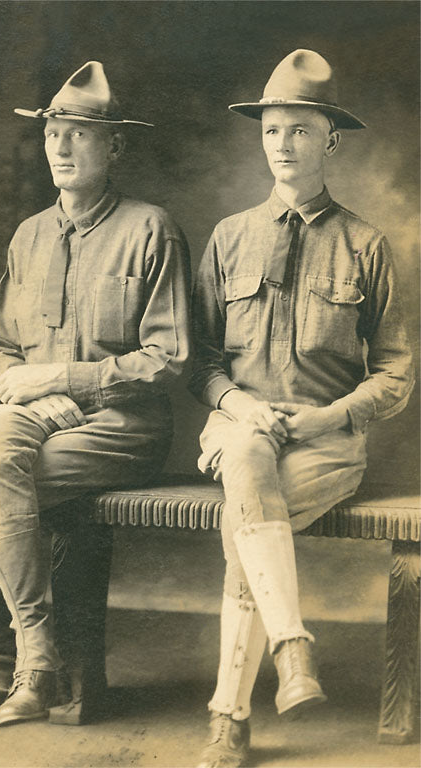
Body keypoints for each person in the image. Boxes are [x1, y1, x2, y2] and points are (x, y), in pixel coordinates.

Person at [0, 61, 190, 733]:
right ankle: (31, 661)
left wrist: (59, 381)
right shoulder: (28, 236)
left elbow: (168, 359)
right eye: (53, 132)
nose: (61, 146)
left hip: (124, 428)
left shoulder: (150, 229)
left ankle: (5, 666)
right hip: (38, 425)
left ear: (116, 146)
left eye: (79, 133)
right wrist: (19, 393)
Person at [190, 49, 414, 768]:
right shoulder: (229, 237)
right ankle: (289, 648)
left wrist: (331, 417)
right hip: (239, 424)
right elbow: (200, 362)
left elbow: (396, 371)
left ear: (331, 141)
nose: (282, 144)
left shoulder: (365, 244)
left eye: (300, 130)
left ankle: (229, 717)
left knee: (247, 521)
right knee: (247, 457)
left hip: (327, 440)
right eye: (271, 130)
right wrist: (237, 403)